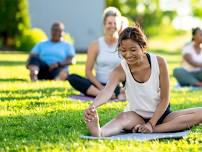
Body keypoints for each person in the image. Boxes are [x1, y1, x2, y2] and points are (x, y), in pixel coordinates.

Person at [84, 26, 202, 137]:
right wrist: (93, 107)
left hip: (162, 115)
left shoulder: (160, 62)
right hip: (136, 116)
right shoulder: (120, 70)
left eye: (133, 49)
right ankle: (99, 132)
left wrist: (151, 124)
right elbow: (107, 92)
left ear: (142, 46)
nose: (128, 55)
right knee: (122, 118)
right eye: (123, 50)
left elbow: (165, 99)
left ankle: (153, 129)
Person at [68, 7, 125, 99]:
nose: (112, 26)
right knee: (72, 77)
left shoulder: (123, 44)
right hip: (98, 85)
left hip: (116, 86)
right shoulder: (95, 45)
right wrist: (101, 88)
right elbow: (88, 72)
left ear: (119, 25)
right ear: (104, 25)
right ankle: (103, 94)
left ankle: (109, 94)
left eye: (115, 23)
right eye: (109, 23)